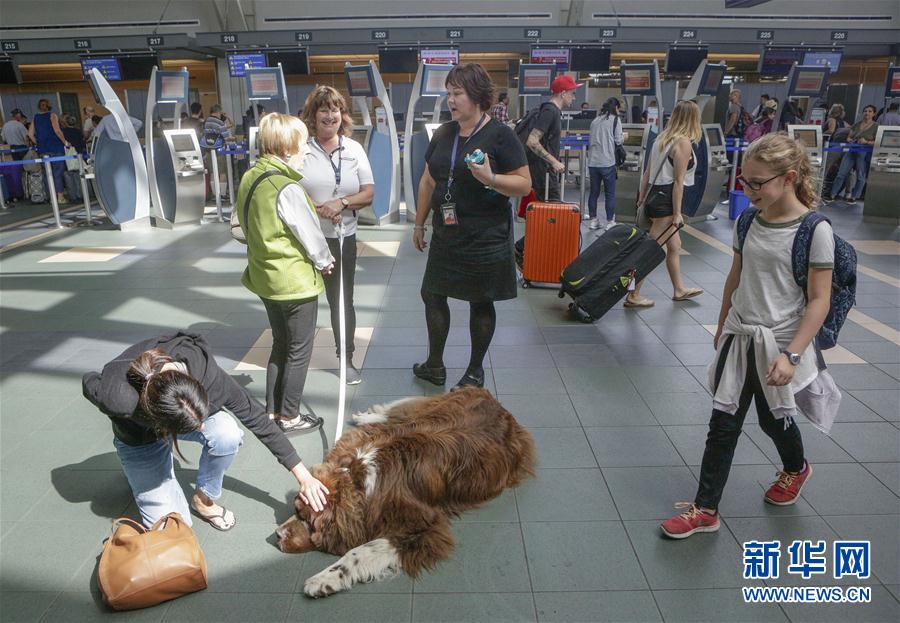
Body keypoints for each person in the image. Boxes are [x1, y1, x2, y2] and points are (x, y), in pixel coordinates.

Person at [660, 133, 839, 539]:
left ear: (789, 178)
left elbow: (819, 301)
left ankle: (796, 467)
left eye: (757, 183)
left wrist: (791, 356)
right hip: (742, 336)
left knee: (772, 419)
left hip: (780, 343)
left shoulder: (815, 230)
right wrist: (722, 325)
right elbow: (736, 278)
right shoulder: (747, 220)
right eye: (744, 181)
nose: (747, 190)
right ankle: (705, 509)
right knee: (723, 423)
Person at [82, 331, 329, 531]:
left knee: (225, 433)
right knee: (173, 530)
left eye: (201, 419)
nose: (202, 429)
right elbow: (89, 381)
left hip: (167, 416)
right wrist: (114, 392)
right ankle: (144, 470)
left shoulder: (208, 375)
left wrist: (304, 476)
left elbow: (256, 417)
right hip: (140, 438)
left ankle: (203, 499)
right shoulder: (118, 398)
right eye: (194, 426)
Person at [412, 63, 531, 390]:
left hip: (485, 236)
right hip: (447, 234)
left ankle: (475, 371)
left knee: (481, 300)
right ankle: (434, 364)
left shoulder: (501, 136)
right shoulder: (444, 133)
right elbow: (427, 180)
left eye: (457, 94)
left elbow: (523, 184)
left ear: (477, 96)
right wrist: (420, 224)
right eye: (449, 93)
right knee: (432, 293)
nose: (451, 100)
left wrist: (491, 179)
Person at [237, 112, 334, 432]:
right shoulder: (287, 187)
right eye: (302, 144)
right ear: (285, 148)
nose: (307, 150)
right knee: (299, 348)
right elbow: (309, 234)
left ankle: (271, 411)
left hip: (265, 278)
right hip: (294, 282)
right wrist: (325, 260)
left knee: (280, 342)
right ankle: (290, 415)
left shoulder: (251, 177)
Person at [299, 86, 375, 385]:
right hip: (306, 239)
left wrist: (340, 203)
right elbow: (287, 189)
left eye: (335, 109)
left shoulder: (353, 149)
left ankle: (346, 358)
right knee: (301, 301)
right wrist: (313, 208)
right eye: (324, 109)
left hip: (342, 238)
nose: (330, 115)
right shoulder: (301, 149)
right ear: (313, 115)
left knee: (341, 300)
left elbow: (368, 193)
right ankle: (296, 359)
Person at [625, 100, 705, 308]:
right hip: (666, 203)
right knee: (650, 250)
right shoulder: (683, 143)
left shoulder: (662, 138)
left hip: (654, 196)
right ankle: (633, 295)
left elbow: (647, 173)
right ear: (693, 119)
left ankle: (679, 289)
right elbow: (678, 182)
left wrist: (641, 199)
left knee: (675, 246)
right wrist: (677, 213)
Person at [513, 74, 579, 265]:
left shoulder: (549, 110)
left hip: (542, 172)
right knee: (553, 216)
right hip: (544, 174)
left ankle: (527, 250)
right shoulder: (550, 111)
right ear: (563, 93)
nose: (574, 98)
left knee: (549, 215)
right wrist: (553, 161)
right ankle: (520, 249)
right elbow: (532, 141)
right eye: (572, 93)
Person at [825, 105, 878, 204]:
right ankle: (832, 194)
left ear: (874, 114)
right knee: (841, 173)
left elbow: (877, 141)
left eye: (870, 111)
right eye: (865, 111)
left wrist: (866, 142)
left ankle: (854, 197)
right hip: (851, 151)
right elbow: (849, 137)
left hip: (863, 153)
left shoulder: (876, 126)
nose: (867, 113)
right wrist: (850, 140)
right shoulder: (857, 124)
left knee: (860, 176)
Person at [586, 97, 624, 231]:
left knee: (594, 193)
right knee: (609, 193)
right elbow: (618, 140)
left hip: (593, 162)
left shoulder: (595, 120)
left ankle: (593, 220)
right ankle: (609, 221)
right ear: (616, 108)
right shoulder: (615, 120)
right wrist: (626, 136)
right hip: (607, 162)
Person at [26, 98, 71, 205]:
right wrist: (65, 142)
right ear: (49, 106)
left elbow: (30, 134)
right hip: (55, 147)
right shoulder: (52, 115)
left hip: (43, 149)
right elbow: (57, 130)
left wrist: (38, 142)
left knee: (47, 174)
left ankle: (51, 197)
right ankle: (60, 197)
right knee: (57, 173)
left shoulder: (35, 118)